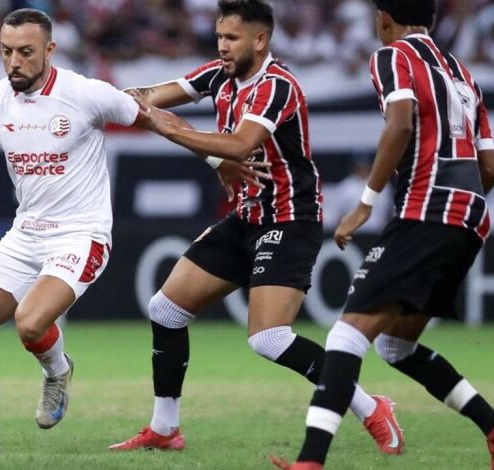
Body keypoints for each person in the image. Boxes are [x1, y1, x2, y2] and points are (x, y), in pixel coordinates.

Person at [109, 0, 403, 455]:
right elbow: (147, 98)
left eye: (232, 39)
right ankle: (165, 429)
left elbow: (241, 144)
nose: (222, 47)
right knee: (165, 309)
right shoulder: (219, 74)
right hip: (247, 218)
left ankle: (370, 407)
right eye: (219, 37)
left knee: (268, 339)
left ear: (260, 40)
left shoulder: (276, 86)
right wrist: (115, 100)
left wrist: (169, 130)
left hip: (289, 220)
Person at [271, 1, 494, 469]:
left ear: (384, 18)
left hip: (425, 213)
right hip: (470, 219)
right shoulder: (463, 73)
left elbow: (400, 124)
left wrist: (365, 203)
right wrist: (457, 213)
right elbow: (489, 166)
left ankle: (310, 462)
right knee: (396, 346)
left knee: (345, 337)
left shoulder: (393, 56)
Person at [0, 8, 150, 453]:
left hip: (81, 233)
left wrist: (219, 158)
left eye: (26, 52)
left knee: (30, 322)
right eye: (6, 52)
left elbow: (151, 117)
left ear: (50, 50)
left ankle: (56, 370)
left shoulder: (85, 94)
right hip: (26, 232)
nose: (14, 62)